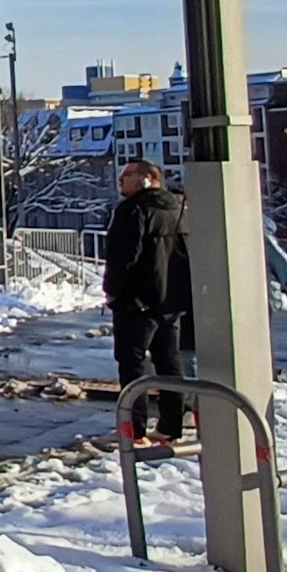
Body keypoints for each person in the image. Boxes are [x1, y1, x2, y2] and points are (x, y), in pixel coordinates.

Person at [103, 161, 191, 444]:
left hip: (136, 301)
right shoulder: (176, 209)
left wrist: (113, 290)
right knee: (170, 362)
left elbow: (123, 256)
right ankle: (170, 424)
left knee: (133, 365)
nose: (120, 181)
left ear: (146, 179)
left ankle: (134, 429)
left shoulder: (132, 210)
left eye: (126, 176)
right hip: (171, 299)